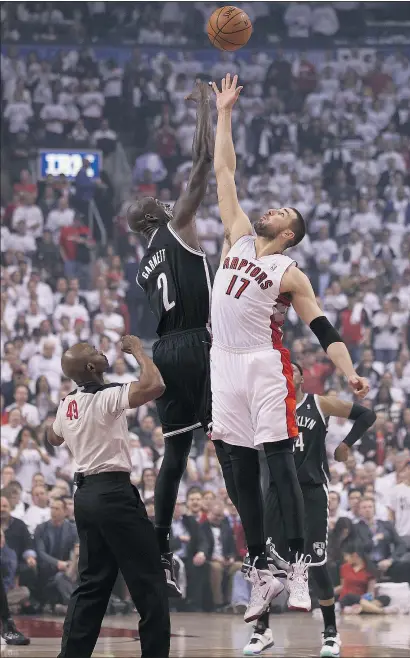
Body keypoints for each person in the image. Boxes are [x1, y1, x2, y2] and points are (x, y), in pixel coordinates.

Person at [210, 73, 369, 624]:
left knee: (280, 466)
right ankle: (261, 570)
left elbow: (325, 332)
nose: (269, 208)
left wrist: (348, 373)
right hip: (221, 365)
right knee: (236, 476)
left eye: (279, 211)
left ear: (289, 235)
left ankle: (298, 564)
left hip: (263, 364)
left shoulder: (289, 271)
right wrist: (225, 112)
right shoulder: (236, 234)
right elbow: (224, 171)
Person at [127, 79, 214, 595]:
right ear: (158, 215)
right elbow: (203, 163)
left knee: (175, 455)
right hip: (198, 343)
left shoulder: (143, 264)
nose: (166, 199)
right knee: (232, 438)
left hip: (165, 351)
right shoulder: (178, 226)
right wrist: (206, 108)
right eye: (160, 200)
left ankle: (160, 548)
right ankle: (267, 549)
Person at [48, 337, 170, 658]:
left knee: (92, 584)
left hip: (85, 496)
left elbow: (53, 437)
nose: (101, 352)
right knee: (149, 582)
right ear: (91, 367)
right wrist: (139, 352)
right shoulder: (106, 396)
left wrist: (72, 418)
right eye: (94, 351)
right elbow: (154, 385)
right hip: (113, 493)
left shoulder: (67, 403)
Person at [243, 362, 375, 657]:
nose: (286, 373)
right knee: (268, 565)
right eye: (280, 370)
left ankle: (330, 633)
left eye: (292, 369)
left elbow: (367, 414)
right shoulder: (266, 406)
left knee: (314, 563)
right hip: (277, 492)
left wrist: (346, 445)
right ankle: (262, 631)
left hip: (312, 490)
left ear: (302, 377)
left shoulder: (319, 403)